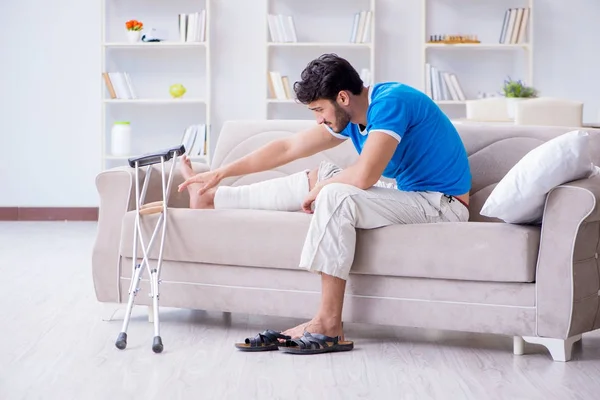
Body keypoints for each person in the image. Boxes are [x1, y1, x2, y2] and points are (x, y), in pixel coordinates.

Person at [177, 53, 472, 354]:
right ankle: (212, 199)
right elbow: (288, 147)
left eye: (319, 109)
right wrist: (222, 172)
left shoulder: (390, 102)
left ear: (342, 97)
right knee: (324, 175)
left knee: (333, 192)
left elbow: (365, 175)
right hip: (415, 198)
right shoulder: (354, 117)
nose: (319, 119)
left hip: (442, 205)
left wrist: (323, 189)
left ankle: (329, 324)